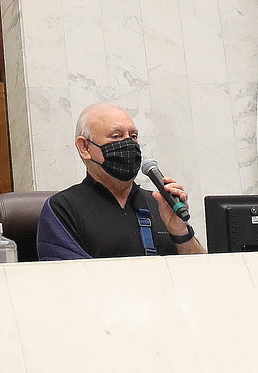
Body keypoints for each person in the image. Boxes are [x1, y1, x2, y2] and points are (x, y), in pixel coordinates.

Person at [35, 103, 203, 259]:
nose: (128, 143)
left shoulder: (160, 204)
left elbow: (202, 272)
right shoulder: (64, 208)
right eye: (116, 136)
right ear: (85, 147)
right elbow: (69, 276)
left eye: (133, 136)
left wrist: (181, 233)